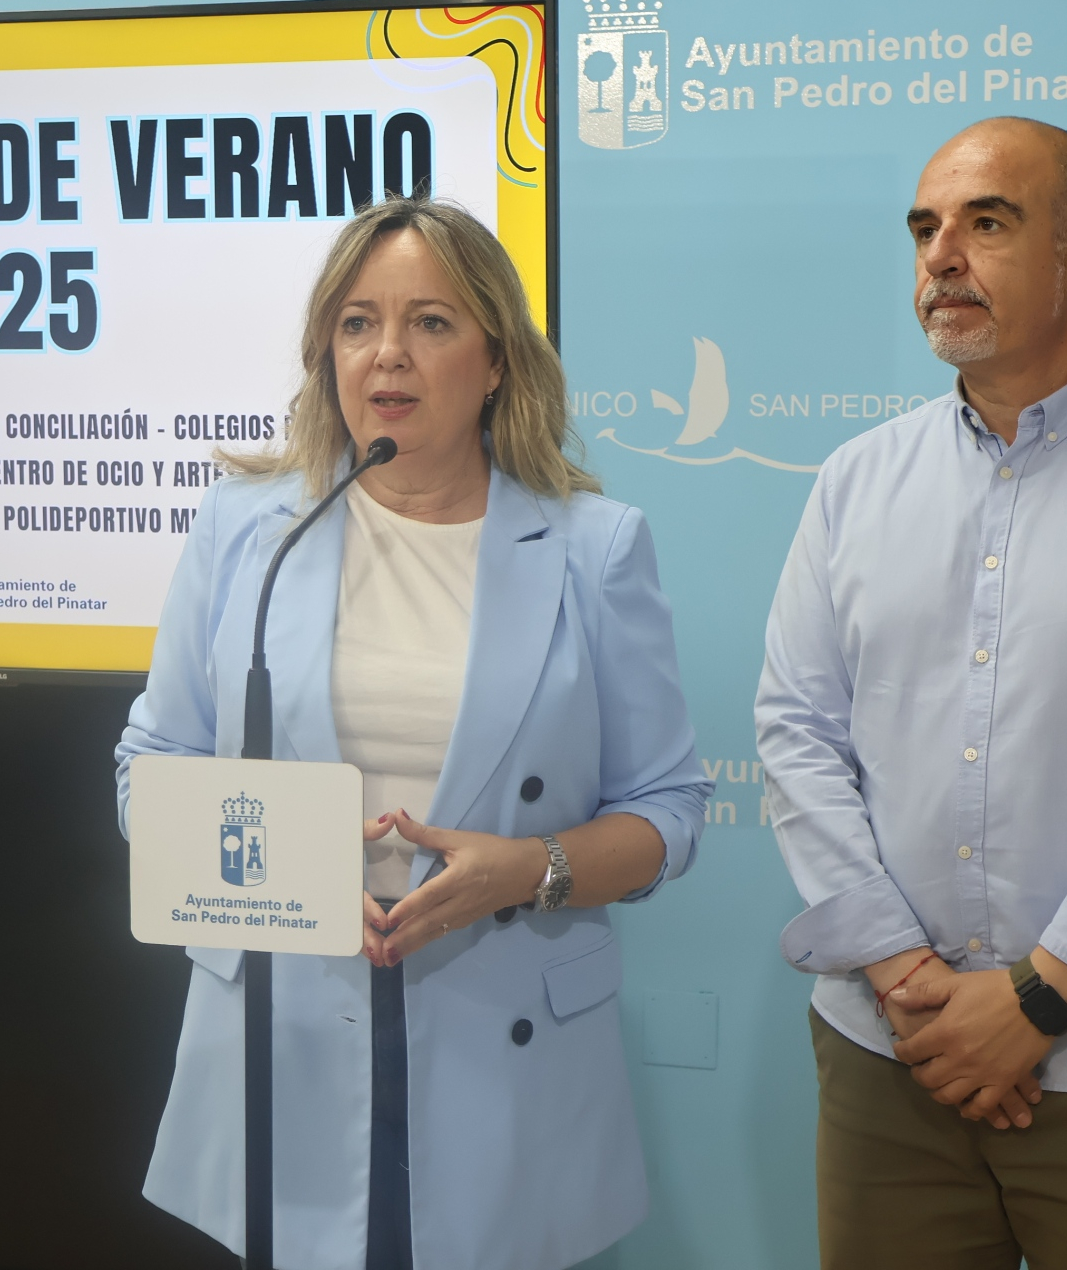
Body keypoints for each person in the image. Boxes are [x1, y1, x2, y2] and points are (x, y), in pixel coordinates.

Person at [116, 196, 710, 1270]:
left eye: (430, 322)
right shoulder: (247, 529)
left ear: (496, 360)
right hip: (284, 1022)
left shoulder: (594, 547)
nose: (387, 353)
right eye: (357, 322)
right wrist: (288, 881)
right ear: (326, 351)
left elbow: (667, 811)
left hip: (505, 1028)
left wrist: (524, 870)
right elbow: (152, 770)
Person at [755, 117, 1067, 1269]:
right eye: (923, 229)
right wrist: (906, 977)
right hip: (888, 1059)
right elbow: (796, 733)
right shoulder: (854, 481)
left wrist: (1035, 1000)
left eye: (985, 223)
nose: (940, 256)